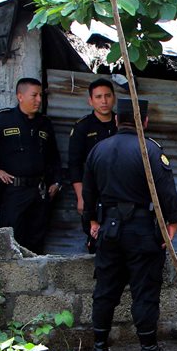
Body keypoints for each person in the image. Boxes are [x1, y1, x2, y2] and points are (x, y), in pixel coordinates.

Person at [83, 98, 177, 351]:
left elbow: (88, 194)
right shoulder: (151, 151)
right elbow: (167, 194)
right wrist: (171, 226)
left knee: (105, 289)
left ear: (117, 120)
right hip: (141, 230)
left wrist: (92, 222)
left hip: (109, 229)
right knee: (145, 289)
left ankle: (100, 349)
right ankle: (148, 350)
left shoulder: (98, 150)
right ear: (144, 121)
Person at [0, 78, 61, 254]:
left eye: (40, 96)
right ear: (20, 96)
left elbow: (53, 156)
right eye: (34, 95)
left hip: (39, 192)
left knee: (36, 242)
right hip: (13, 191)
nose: (38, 100)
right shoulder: (2, 119)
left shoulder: (44, 123)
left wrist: (56, 182)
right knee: (12, 243)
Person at [69, 78, 119, 252]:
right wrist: (81, 197)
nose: (103, 101)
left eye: (107, 96)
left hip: (121, 192)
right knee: (95, 240)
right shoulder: (83, 127)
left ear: (114, 97)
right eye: (98, 97)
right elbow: (74, 164)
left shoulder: (123, 123)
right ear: (90, 100)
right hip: (93, 194)